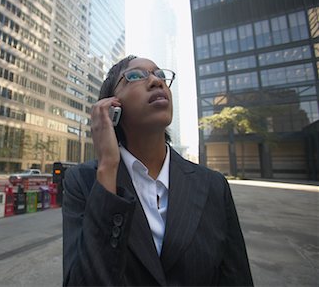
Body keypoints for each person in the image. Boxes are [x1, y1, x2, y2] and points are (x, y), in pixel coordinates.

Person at [62, 55, 253, 286]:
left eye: (160, 74)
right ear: (111, 108)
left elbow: (236, 277)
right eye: (135, 76)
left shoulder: (213, 185)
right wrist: (107, 167)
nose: (155, 81)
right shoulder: (82, 181)